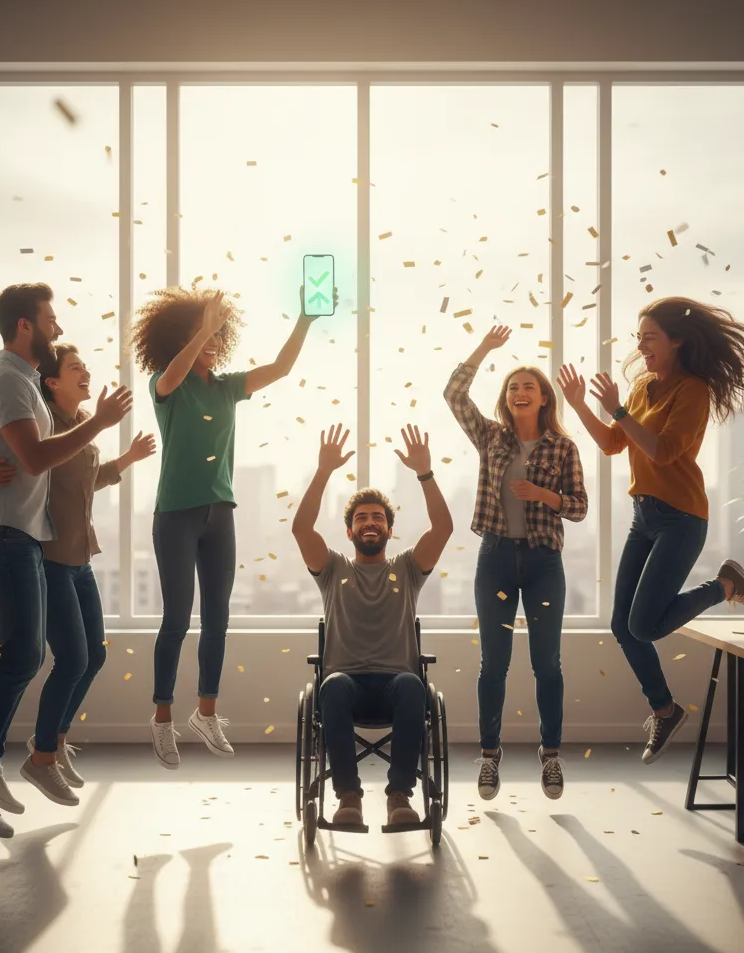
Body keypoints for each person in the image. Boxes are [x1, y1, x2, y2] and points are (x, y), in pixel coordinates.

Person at [0, 284, 131, 838]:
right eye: (49, 318)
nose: (55, 325)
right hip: (2, 535)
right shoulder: (7, 379)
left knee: (29, 656)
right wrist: (96, 423)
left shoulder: (23, 381)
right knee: (24, 657)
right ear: (25, 326)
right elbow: (31, 458)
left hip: (21, 535)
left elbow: (20, 455)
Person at [557, 296, 744, 764]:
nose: (641, 345)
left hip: (682, 518)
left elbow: (663, 451)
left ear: (677, 340)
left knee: (643, 625)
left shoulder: (693, 391)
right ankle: (666, 709)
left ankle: (726, 586)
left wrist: (617, 411)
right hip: (644, 516)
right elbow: (616, 444)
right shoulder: (641, 388)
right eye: (639, 337)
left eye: (649, 337)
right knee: (623, 626)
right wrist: (581, 406)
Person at [130, 285, 328, 768]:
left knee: (217, 617)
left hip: (220, 513)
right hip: (175, 514)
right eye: (203, 334)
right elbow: (173, 373)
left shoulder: (226, 387)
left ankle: (206, 712)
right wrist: (202, 331)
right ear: (184, 337)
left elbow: (280, 369)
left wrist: (305, 317)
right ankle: (161, 718)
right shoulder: (167, 383)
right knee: (177, 619)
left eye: (218, 334)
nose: (215, 342)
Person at [0, 342, 156, 807]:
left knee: (93, 657)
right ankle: (41, 756)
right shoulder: (42, 417)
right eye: (75, 367)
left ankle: (51, 741)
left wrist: (126, 461)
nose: (86, 371)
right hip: (46, 556)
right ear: (52, 382)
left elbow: (84, 480)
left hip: (79, 556)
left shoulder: (74, 428)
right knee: (66, 659)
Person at [444, 325, 588, 803]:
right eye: (512, 387)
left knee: (547, 663)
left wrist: (544, 494)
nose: (520, 392)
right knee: (494, 665)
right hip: (497, 558)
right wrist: (485, 348)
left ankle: (550, 755)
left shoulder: (563, 448)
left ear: (545, 398)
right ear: (506, 400)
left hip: (545, 561)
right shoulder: (491, 437)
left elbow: (580, 506)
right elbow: (454, 393)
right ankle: (490, 757)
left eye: (529, 386)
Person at [291, 422, 453, 827]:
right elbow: (301, 529)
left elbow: (444, 529)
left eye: (377, 518)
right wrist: (325, 469)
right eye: (361, 518)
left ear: (389, 531)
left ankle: (399, 796)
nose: (370, 522)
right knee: (333, 684)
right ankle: (349, 797)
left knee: (412, 684)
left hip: (397, 687)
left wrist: (425, 472)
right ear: (349, 531)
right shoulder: (332, 569)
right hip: (345, 688)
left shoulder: (407, 569)